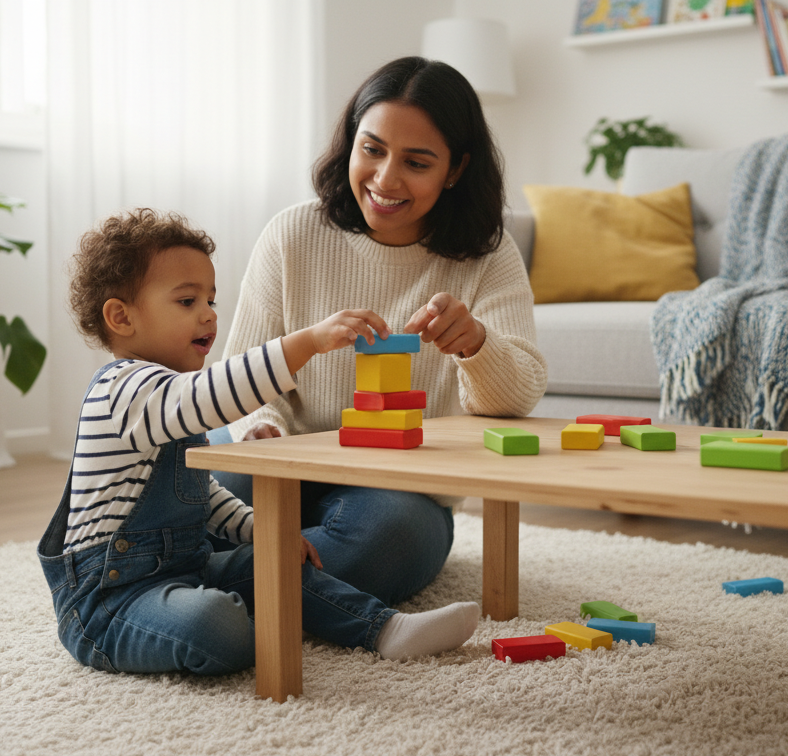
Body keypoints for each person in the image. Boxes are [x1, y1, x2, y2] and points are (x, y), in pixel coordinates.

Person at [37, 208, 480, 676]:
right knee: (215, 622)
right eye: (187, 302)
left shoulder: (172, 395)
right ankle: (233, 618)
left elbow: (198, 495)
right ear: (120, 317)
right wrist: (305, 343)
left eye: (211, 300)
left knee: (277, 560)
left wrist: (263, 531)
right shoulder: (124, 390)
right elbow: (215, 395)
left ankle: (383, 629)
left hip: (186, 569)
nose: (209, 314)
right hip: (110, 602)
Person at [211, 57, 547, 606]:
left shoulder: (489, 256)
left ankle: (195, 582)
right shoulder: (292, 234)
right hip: (283, 461)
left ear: (455, 169)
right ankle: (271, 586)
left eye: (416, 162)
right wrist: (262, 429)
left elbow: (521, 395)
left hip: (396, 488)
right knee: (199, 484)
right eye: (372, 150)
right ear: (350, 142)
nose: (385, 180)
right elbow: (241, 373)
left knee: (394, 539)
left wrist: (477, 345)